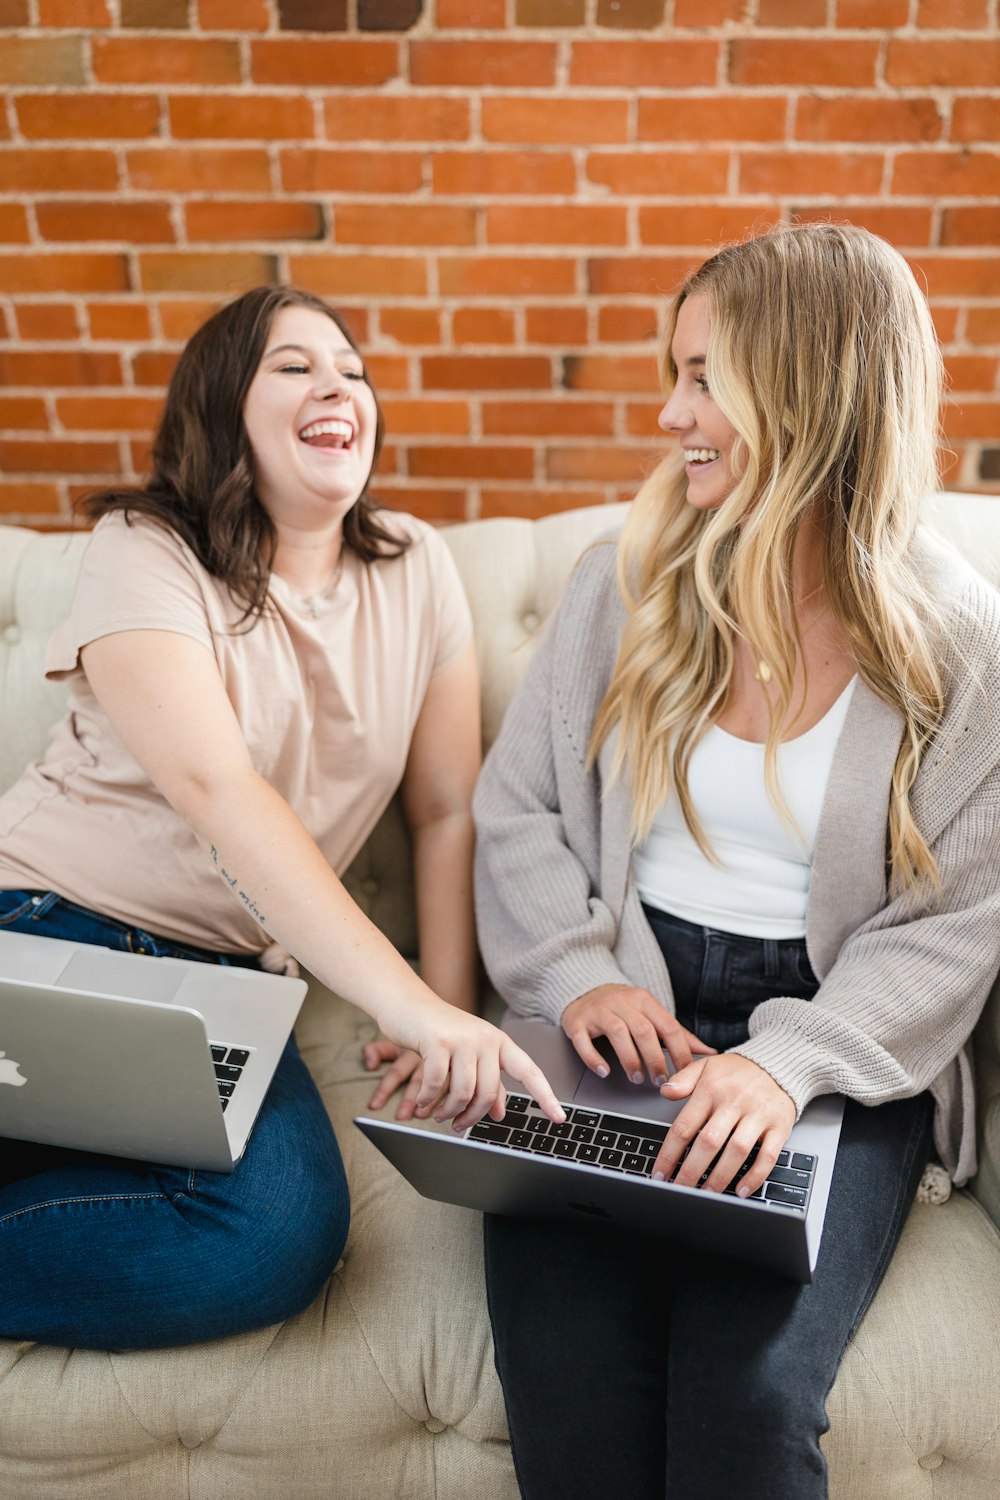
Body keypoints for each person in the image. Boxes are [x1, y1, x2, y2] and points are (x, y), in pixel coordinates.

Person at [472, 225, 1000, 1499]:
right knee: (580, 1409)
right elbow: (516, 812)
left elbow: (952, 920)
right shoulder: (626, 587)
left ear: (809, 388)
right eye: (676, 374)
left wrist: (790, 1064)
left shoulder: (956, 647)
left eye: (704, 377)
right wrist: (576, 978)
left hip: (832, 1049)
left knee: (747, 1406)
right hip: (614, 1024)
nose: (670, 413)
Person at [0, 285, 561, 1352]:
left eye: (351, 366)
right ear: (225, 410)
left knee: (269, 1235)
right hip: (44, 922)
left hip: (216, 983)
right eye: (293, 366)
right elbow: (219, 791)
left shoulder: (418, 569)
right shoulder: (144, 547)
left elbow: (445, 811)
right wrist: (408, 1005)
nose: (337, 382)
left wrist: (441, 1013)